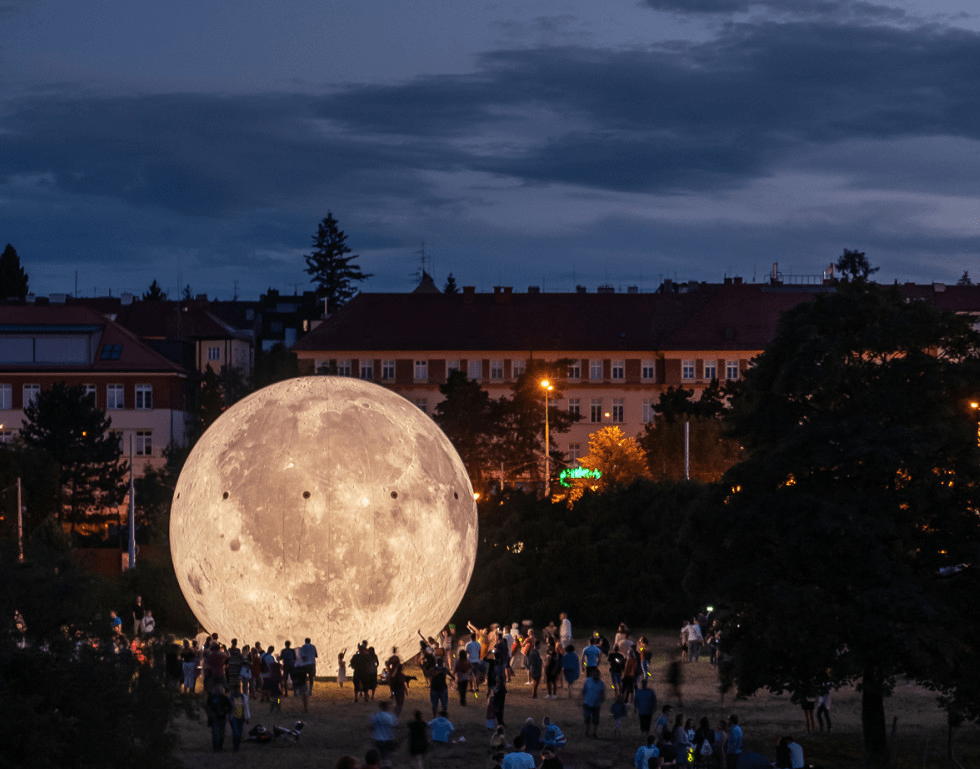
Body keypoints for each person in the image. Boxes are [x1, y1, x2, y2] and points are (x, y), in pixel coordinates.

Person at [204, 685, 232, 752]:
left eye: (219, 690)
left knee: (221, 733)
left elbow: (229, 707)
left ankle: (219, 746)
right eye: (217, 690)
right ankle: (216, 747)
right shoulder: (211, 698)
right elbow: (207, 707)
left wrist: (224, 711)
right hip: (214, 718)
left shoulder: (225, 699)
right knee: (215, 733)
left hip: (222, 717)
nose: (218, 691)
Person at [581, 667, 605, 738]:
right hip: (587, 703)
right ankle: (587, 729)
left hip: (596, 704)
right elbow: (584, 690)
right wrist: (581, 699)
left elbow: (602, 693)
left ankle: (594, 732)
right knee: (587, 718)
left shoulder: (601, 684)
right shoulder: (588, 681)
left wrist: (601, 699)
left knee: (596, 720)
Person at [228, 682, 250, 752]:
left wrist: (247, 717)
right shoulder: (231, 698)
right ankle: (236, 746)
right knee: (236, 732)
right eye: (237, 689)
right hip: (234, 717)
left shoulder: (243, 697)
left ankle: (237, 745)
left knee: (240, 733)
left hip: (241, 718)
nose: (238, 691)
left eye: (239, 689)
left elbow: (246, 708)